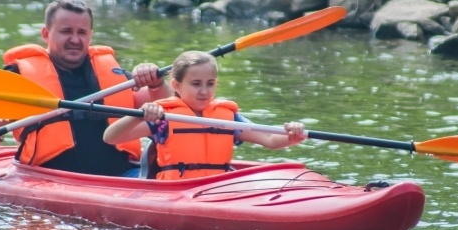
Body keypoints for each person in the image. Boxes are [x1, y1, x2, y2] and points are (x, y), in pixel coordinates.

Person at [0, 0, 171, 177]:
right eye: (66, 31)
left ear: (90, 35)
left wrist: (156, 83)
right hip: (49, 179)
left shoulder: (114, 73)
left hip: (123, 177)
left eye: (81, 32)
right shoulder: (19, 76)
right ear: (46, 34)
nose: (75, 40)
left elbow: (168, 108)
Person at [103, 50, 306, 180]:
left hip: (214, 191)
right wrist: (139, 115)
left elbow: (270, 139)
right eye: (196, 84)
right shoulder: (164, 118)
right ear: (176, 85)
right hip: (175, 193)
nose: (204, 91)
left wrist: (292, 135)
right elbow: (111, 137)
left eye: (210, 84)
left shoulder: (228, 117)